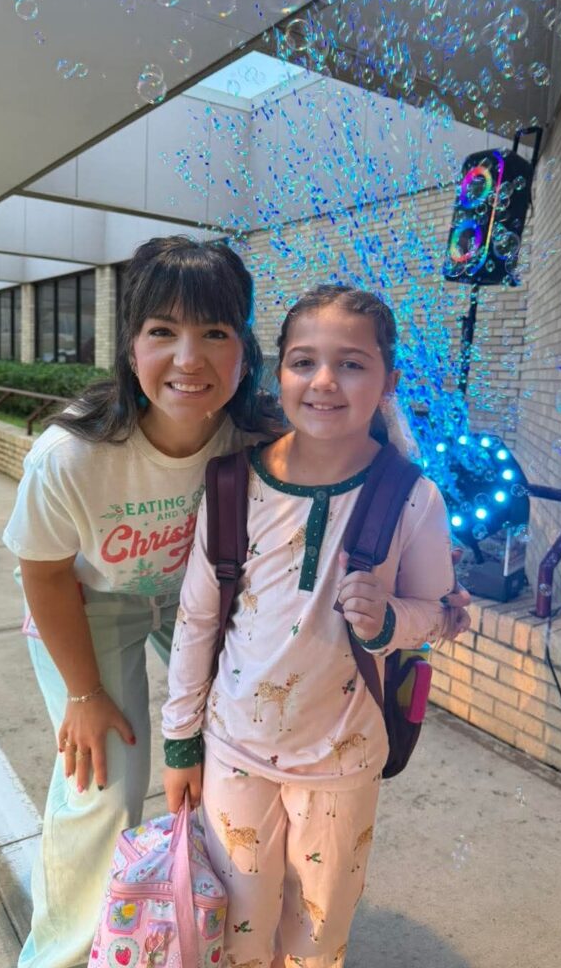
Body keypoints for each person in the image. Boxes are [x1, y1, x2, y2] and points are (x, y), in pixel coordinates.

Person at [162, 284, 468, 968]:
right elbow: (198, 620)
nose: (324, 381)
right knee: (234, 931)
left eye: (351, 364)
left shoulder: (411, 496)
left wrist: (389, 621)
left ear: (388, 382)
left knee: (317, 934)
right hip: (234, 751)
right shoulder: (231, 484)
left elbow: (439, 614)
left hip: (343, 762)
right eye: (304, 361)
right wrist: (180, 742)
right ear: (279, 373)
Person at [2, 236, 282, 968]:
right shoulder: (71, 454)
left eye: (214, 332)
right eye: (163, 331)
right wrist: (84, 694)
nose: (189, 359)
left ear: (245, 349)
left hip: (195, 603)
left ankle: (208, 933)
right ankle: (58, 956)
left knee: (230, 763)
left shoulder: (257, 437)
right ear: (130, 346)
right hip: (88, 605)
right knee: (102, 785)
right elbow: (43, 574)